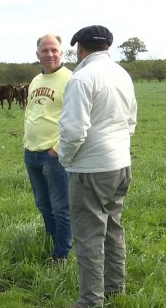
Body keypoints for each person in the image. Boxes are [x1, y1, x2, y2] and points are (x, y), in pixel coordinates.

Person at [58, 25, 137, 307]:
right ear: (107, 47)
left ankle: (91, 300)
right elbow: (131, 122)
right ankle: (116, 288)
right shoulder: (122, 74)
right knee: (113, 228)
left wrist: (66, 158)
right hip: (120, 164)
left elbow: (74, 130)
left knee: (88, 236)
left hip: (90, 168)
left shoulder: (82, 78)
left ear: (81, 48)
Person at [23, 34, 73, 263]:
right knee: (43, 204)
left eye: (54, 50)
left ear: (62, 53)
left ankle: (62, 253)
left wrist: (57, 148)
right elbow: (31, 112)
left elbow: (77, 119)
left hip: (53, 155)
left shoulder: (71, 80)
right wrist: (26, 141)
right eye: (45, 50)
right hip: (31, 152)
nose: (50, 54)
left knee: (61, 206)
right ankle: (52, 241)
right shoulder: (35, 81)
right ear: (37, 55)